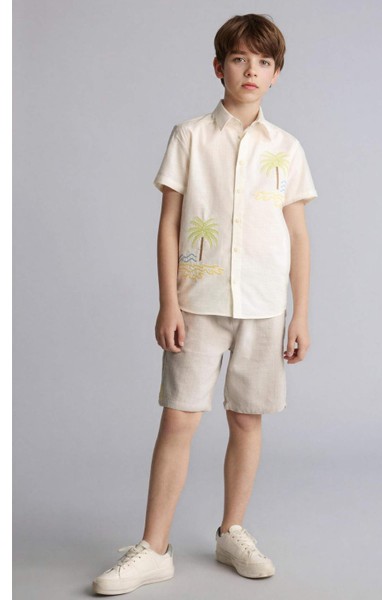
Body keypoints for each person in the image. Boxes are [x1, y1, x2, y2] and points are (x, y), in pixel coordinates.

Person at [92, 12, 318, 596]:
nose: (251, 71)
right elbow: (169, 224)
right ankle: (153, 548)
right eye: (240, 59)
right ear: (219, 67)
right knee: (179, 417)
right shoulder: (190, 136)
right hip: (198, 301)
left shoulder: (287, 148)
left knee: (247, 417)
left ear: (276, 74)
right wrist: (168, 303)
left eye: (263, 62)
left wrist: (301, 313)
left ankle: (231, 532)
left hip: (264, 305)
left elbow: (297, 234)